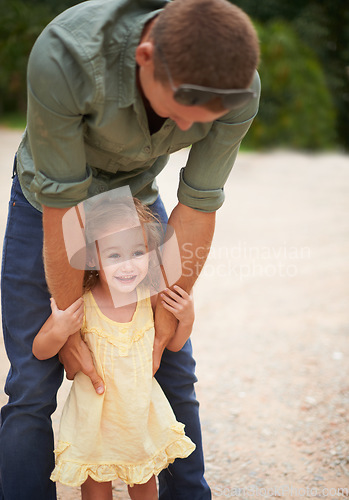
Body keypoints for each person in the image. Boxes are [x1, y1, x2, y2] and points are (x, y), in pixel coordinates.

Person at [0, 0, 260, 498]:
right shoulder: (65, 57)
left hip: (134, 204)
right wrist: (67, 322)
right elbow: (65, 209)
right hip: (50, 202)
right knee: (33, 385)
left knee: (172, 368)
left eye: (201, 121)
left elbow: (199, 204)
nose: (185, 131)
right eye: (180, 112)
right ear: (144, 57)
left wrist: (166, 316)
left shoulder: (237, 86)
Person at [32, 193, 196, 500]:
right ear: (93, 259)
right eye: (114, 256)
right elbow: (41, 349)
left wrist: (186, 319)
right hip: (94, 423)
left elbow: (173, 345)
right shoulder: (82, 304)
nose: (128, 266)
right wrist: (61, 328)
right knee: (96, 490)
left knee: (145, 486)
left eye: (137, 252)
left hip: (139, 417)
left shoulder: (150, 299)